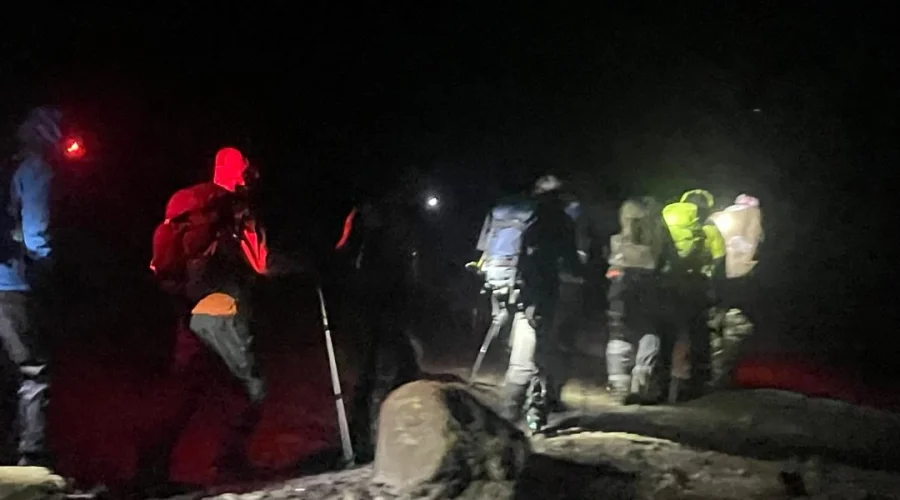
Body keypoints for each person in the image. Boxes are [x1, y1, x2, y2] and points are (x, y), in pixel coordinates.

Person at [150, 146, 270, 484]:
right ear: (239, 173)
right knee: (252, 389)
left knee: (184, 394)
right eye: (247, 170)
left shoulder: (191, 206)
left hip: (188, 312)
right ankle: (228, 461)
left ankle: (152, 467)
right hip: (224, 308)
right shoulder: (233, 209)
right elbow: (259, 264)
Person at [488, 174, 583, 432]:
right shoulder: (558, 220)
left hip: (504, 287)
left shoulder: (516, 216)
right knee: (530, 354)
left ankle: (522, 410)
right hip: (537, 295)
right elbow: (571, 260)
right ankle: (516, 415)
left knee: (522, 347)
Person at [335, 191, 423, 463]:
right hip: (380, 300)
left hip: (373, 300)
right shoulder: (387, 213)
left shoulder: (367, 213)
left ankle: (368, 439)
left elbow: (344, 251)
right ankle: (371, 440)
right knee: (384, 369)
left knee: (377, 370)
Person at [0, 107, 61, 467]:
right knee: (33, 370)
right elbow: (38, 233)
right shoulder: (36, 169)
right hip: (13, 285)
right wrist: (46, 270)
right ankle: (31, 459)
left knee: (7, 372)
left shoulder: (8, 167)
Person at [604, 196, 674, 405]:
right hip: (649, 286)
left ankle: (618, 384)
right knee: (649, 331)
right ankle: (640, 385)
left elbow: (606, 260)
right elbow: (669, 263)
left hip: (619, 286)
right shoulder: (658, 239)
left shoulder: (615, 240)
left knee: (619, 331)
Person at [660, 189, 726, 402]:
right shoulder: (707, 228)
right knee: (697, 332)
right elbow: (720, 258)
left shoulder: (667, 221)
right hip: (696, 284)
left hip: (667, 283)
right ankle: (696, 381)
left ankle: (662, 380)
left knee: (668, 331)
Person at [708, 193, 763, 387]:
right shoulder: (755, 216)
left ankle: (712, 372)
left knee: (714, 325)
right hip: (743, 278)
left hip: (715, 278)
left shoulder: (720, 217)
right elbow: (760, 246)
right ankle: (723, 375)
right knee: (736, 328)